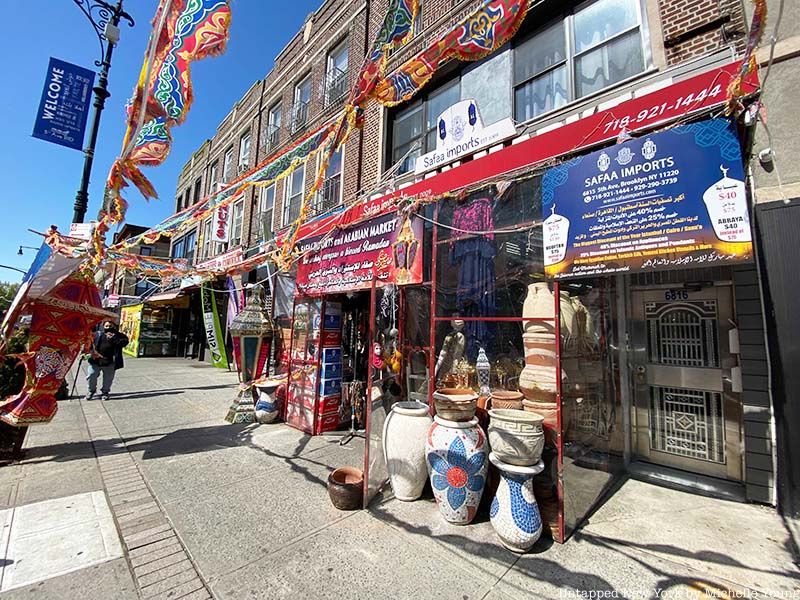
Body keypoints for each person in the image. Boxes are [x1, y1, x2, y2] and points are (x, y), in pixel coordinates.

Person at [85, 320, 129, 401]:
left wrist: (114, 338)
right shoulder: (98, 334)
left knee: (108, 379)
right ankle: (91, 391)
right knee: (91, 375)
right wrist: (86, 353)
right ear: (103, 326)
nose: (108, 328)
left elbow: (124, 343)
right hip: (96, 360)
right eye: (106, 326)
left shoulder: (119, 336)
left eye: (110, 326)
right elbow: (89, 344)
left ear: (115, 327)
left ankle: (105, 392)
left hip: (110, 361)